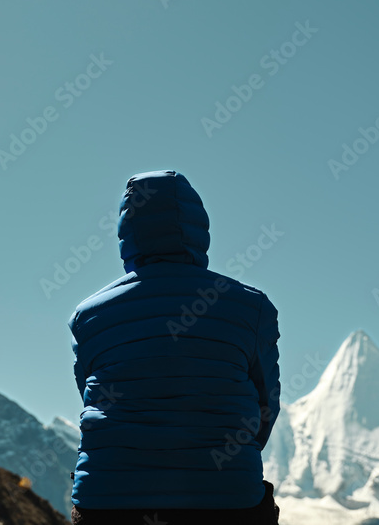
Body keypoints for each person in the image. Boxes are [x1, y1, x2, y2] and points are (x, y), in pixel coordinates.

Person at [67, 170, 281, 524]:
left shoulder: (88, 316)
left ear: (127, 232)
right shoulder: (251, 307)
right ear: (199, 228)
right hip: (227, 499)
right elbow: (265, 405)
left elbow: (92, 397)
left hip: (108, 503)